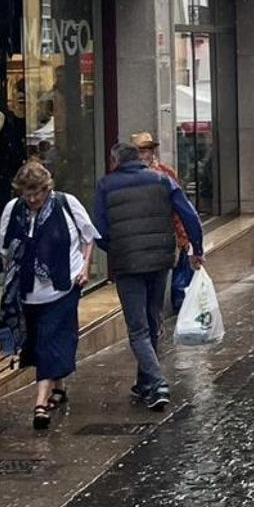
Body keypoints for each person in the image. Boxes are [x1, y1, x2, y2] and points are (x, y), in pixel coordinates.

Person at [93, 142, 204, 412]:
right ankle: (145, 384)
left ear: (115, 160)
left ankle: (156, 384)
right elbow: (189, 214)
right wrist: (196, 248)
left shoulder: (106, 185)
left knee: (138, 328)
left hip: (128, 264)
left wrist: (116, 248)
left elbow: (100, 229)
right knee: (152, 321)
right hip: (159, 261)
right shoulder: (162, 179)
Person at [0, 162, 98, 429]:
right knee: (40, 341)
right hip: (28, 292)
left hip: (62, 287)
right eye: (27, 194)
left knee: (49, 342)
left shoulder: (66, 204)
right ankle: (59, 388)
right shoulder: (13, 210)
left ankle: (40, 404)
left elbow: (89, 236)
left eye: (37, 193)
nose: (32, 199)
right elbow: (5, 249)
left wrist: (85, 268)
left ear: (46, 188)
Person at [131, 132, 194, 312]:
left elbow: (179, 208)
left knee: (176, 282)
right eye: (138, 151)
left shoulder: (166, 173)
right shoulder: (126, 176)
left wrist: (183, 235)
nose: (141, 155)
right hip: (140, 238)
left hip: (166, 233)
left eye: (144, 151)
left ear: (152, 151)